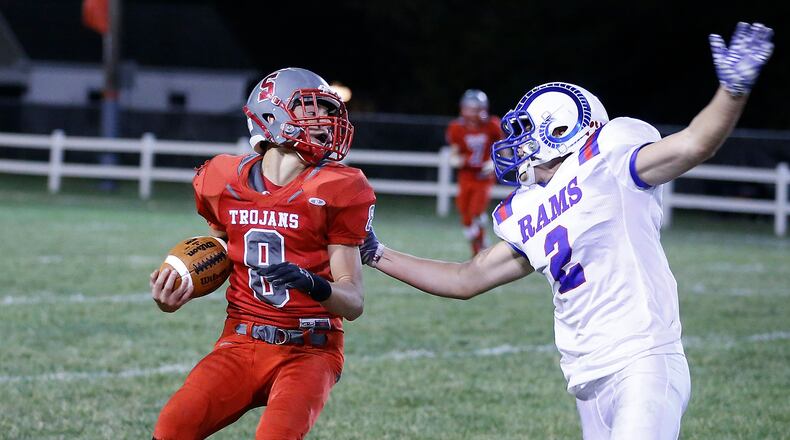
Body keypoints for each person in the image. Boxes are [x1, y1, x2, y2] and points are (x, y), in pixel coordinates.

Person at [361, 23, 773, 440]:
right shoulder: (530, 205)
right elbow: (466, 279)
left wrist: (732, 91)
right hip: (589, 380)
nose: (516, 144)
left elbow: (694, 143)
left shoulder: (609, 161)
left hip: (643, 362)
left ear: (560, 129)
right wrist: (376, 252)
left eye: (525, 130)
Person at [149, 67, 376, 440]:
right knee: (173, 425)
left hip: (310, 348)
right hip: (241, 340)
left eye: (327, 110)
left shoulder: (338, 187)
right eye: (310, 109)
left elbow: (353, 302)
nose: (326, 122)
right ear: (272, 116)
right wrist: (180, 287)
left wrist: (313, 285)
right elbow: (220, 251)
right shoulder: (221, 179)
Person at [445, 89, 504, 255]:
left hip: (484, 177)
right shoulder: (457, 127)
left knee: (476, 212)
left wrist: (494, 162)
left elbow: (503, 149)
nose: (471, 113)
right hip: (466, 176)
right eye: (469, 108)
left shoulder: (492, 125)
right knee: (466, 216)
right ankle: (479, 246)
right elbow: (455, 154)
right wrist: (456, 160)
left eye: (475, 109)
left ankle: (480, 248)